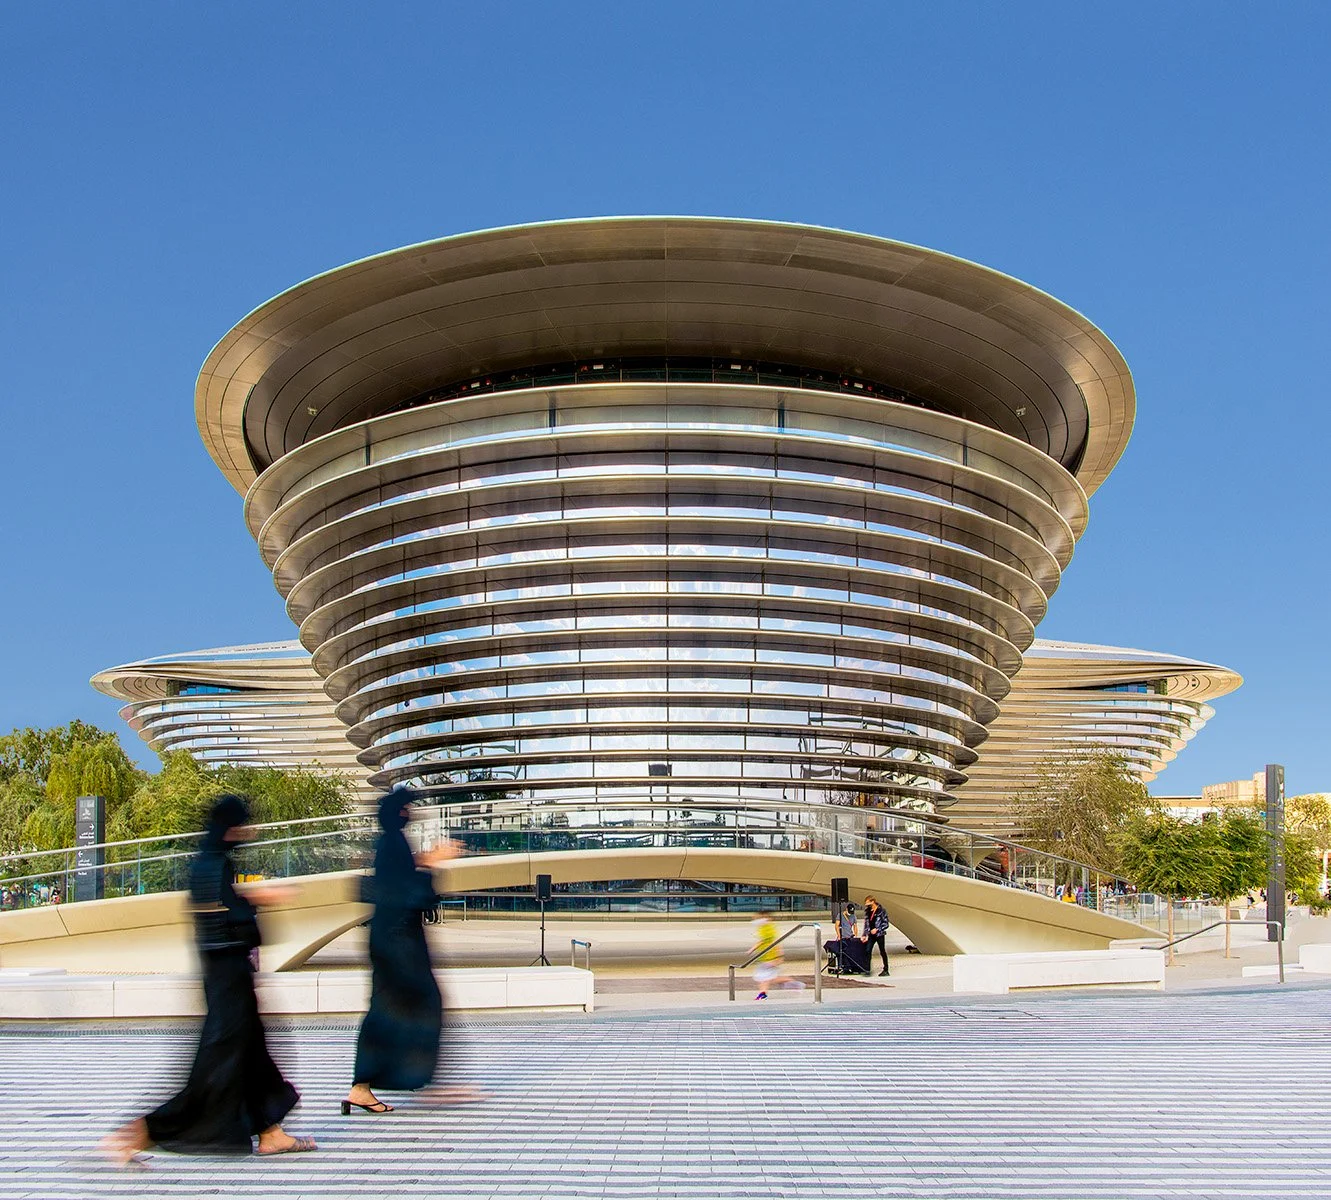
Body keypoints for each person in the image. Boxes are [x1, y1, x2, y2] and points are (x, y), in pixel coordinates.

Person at [101, 795, 314, 1165]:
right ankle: (141, 1131)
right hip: (228, 979)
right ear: (229, 826)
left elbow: (218, 910)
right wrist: (259, 901)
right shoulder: (214, 864)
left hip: (226, 977)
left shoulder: (210, 861)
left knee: (253, 1055)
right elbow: (225, 921)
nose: (247, 831)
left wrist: (247, 900)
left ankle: (271, 1132)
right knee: (219, 1062)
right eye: (242, 824)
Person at [344, 789, 479, 1114]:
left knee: (384, 1009)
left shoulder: (390, 842)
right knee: (425, 1005)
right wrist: (432, 864)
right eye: (406, 808)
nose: (410, 812)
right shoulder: (393, 842)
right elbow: (404, 892)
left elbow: (394, 879)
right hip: (400, 941)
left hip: (386, 938)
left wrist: (422, 861)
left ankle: (361, 1088)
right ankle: (430, 1084)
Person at [750, 910, 803, 999]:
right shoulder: (764, 928)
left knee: (764, 977)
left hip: (771, 957)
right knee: (765, 977)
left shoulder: (768, 928)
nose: (756, 920)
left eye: (759, 918)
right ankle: (792, 983)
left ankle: (763, 993)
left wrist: (753, 948)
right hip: (765, 957)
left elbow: (770, 941)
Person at [860, 895, 891, 976]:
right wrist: (864, 934)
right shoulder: (868, 911)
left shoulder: (881, 911)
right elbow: (866, 924)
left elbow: (886, 924)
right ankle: (867, 969)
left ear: (872, 901)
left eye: (868, 903)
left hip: (879, 934)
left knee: (882, 951)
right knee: (868, 950)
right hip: (871, 935)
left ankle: (886, 969)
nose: (866, 905)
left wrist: (877, 929)